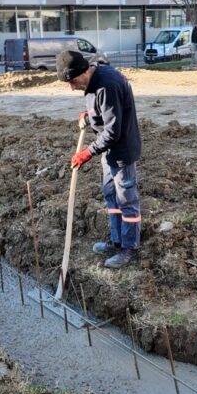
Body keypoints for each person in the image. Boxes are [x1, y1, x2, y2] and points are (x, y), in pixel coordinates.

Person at [57, 50, 142, 269]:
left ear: (84, 72)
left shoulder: (107, 84)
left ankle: (129, 248)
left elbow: (113, 131)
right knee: (111, 195)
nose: (72, 87)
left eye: (73, 81)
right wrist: (90, 116)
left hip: (121, 150)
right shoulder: (94, 80)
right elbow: (103, 109)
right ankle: (116, 241)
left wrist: (88, 152)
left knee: (127, 201)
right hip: (108, 151)